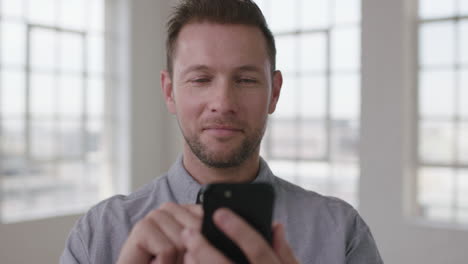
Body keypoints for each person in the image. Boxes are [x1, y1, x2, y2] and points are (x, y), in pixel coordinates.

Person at [60, 0, 384, 263]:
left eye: (245, 80)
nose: (223, 103)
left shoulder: (342, 233)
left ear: (274, 92)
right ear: (170, 92)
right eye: (201, 79)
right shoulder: (99, 233)